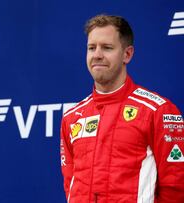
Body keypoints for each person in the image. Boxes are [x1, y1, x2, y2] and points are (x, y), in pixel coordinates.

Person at [60, 14, 184, 202]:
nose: (97, 55)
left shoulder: (158, 111)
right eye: (91, 48)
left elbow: (176, 186)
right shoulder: (72, 117)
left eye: (107, 48)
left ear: (127, 54)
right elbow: (71, 184)